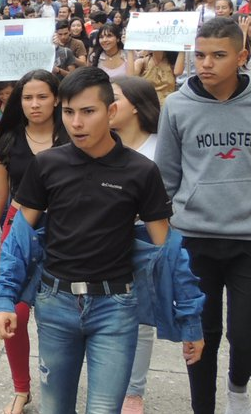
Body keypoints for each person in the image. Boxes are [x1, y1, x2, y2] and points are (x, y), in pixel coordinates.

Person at [0, 67, 199, 413]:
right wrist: (4, 299)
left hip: (115, 309)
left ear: (111, 111)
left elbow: (169, 251)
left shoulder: (141, 171)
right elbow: (19, 239)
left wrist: (190, 319)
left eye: (88, 112)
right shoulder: (47, 165)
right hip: (55, 305)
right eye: (69, 112)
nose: (76, 123)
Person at [155, 17, 251, 414]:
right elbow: (165, 176)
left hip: (247, 239)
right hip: (194, 237)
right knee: (201, 334)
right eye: (199, 55)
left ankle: (238, 390)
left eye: (218, 55)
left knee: (244, 336)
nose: (206, 63)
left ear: (242, 57)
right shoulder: (177, 105)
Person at [0, 71, 68, 414]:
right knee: (14, 310)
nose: (34, 104)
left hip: (65, 230)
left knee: (56, 312)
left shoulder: (73, 134)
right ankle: (21, 389)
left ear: (57, 98)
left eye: (42, 97)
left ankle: (56, 386)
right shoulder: (9, 139)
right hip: (19, 230)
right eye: (27, 98)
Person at [109, 76, 161, 414]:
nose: (107, 104)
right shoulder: (101, 144)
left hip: (145, 236)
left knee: (142, 319)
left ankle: (134, 391)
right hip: (105, 236)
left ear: (137, 106)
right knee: (107, 315)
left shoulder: (162, 145)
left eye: (114, 97)